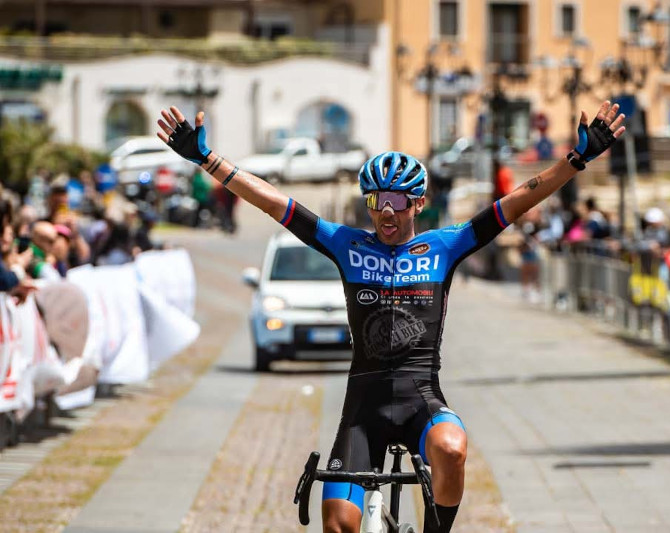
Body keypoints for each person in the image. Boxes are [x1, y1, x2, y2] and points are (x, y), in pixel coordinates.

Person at [157, 101, 625, 533]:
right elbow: (274, 203)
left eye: (398, 201)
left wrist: (576, 161)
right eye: (377, 200)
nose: (386, 211)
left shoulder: (446, 245)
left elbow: (522, 196)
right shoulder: (347, 244)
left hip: (422, 396)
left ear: (418, 203)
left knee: (451, 449)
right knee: (338, 525)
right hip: (364, 407)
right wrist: (208, 160)